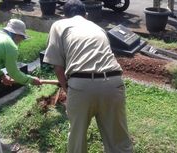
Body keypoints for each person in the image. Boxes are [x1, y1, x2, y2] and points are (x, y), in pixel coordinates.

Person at [43, 0, 133, 152]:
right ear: (85, 15)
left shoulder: (59, 25)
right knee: (119, 140)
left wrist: (67, 89)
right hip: (113, 82)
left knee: (77, 139)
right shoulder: (98, 28)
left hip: (81, 85)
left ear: (65, 15)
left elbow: (58, 67)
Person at [0, 19, 42, 152]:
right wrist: (31, 80)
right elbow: (15, 73)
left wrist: (1, 75)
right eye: (21, 38)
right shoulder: (10, 45)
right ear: (17, 35)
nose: (20, 41)